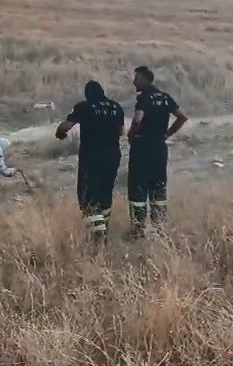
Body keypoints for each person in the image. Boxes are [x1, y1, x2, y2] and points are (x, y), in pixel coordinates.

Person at [55, 81, 125, 242]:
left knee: (88, 196)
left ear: (87, 94)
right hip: (113, 154)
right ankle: (103, 228)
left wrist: (60, 133)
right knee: (105, 193)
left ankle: (98, 239)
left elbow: (66, 126)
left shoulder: (84, 107)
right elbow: (121, 131)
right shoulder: (116, 107)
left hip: (92, 155)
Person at [127, 66, 188, 238]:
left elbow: (137, 119)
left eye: (137, 78)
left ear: (146, 79)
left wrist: (132, 134)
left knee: (138, 187)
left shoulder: (144, 98)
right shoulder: (166, 97)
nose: (134, 81)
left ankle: (138, 230)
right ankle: (159, 227)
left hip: (142, 147)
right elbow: (182, 117)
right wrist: (167, 133)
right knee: (158, 186)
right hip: (160, 148)